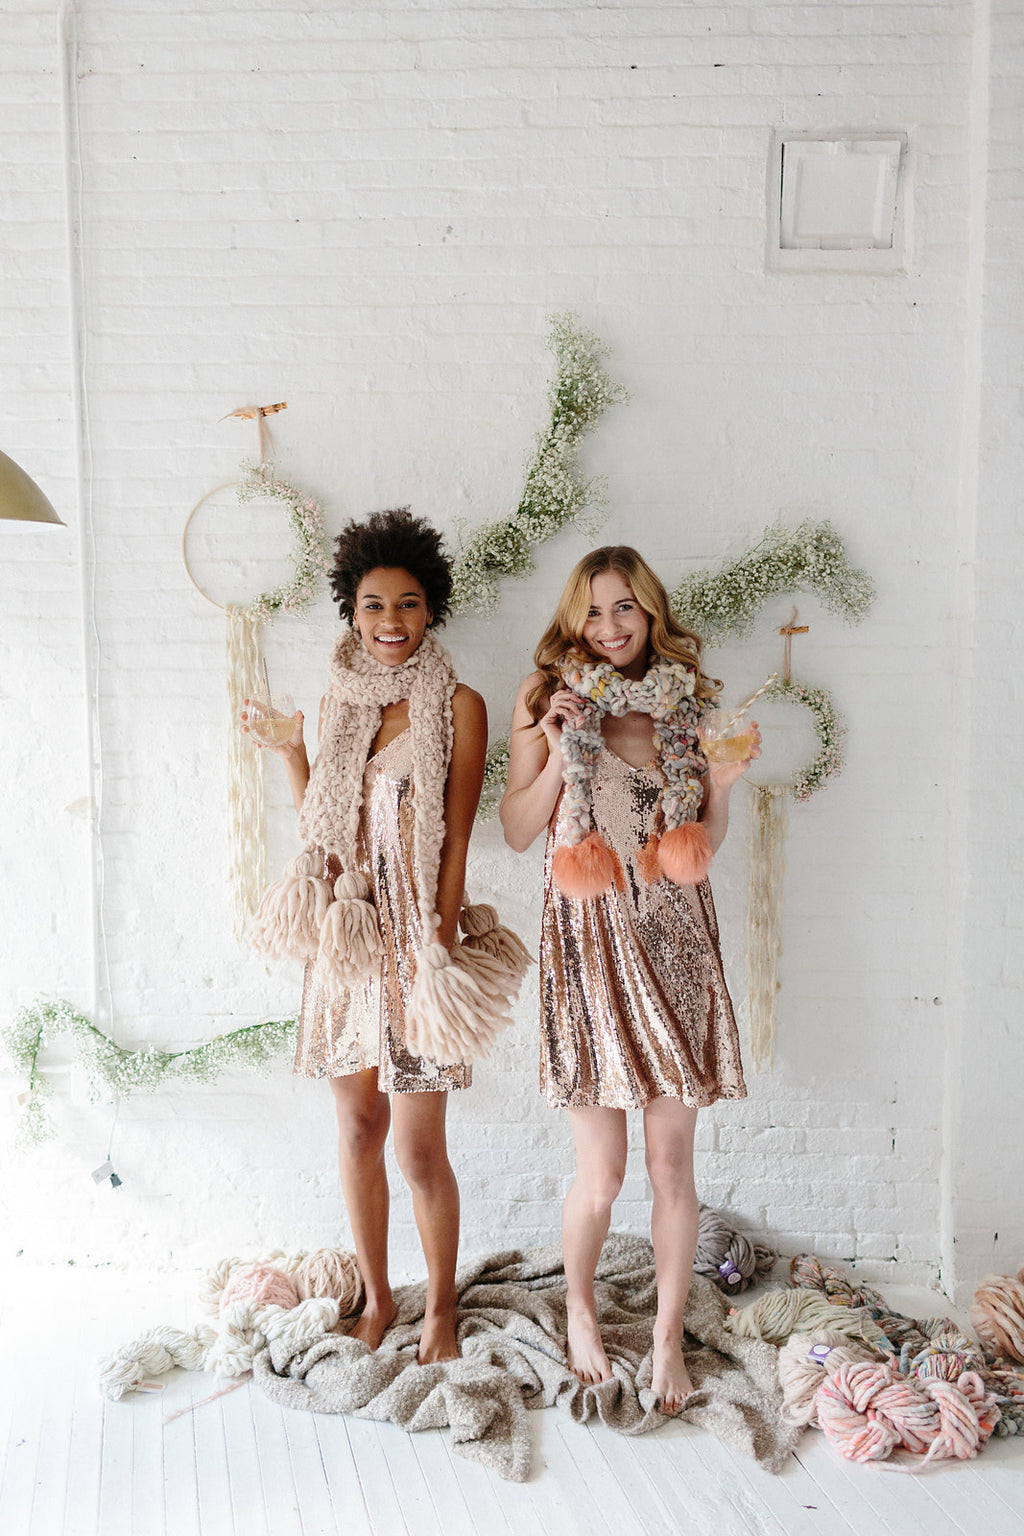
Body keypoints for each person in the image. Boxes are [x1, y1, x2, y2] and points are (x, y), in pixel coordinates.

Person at [244, 508, 527, 1364]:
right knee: (359, 1128)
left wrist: (436, 952)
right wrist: (292, 753)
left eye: (407, 604)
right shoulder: (340, 702)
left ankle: (439, 1311)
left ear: (430, 608)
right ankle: (377, 1298)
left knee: (418, 1146)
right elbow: (324, 829)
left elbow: (458, 840)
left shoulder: (461, 707)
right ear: (352, 610)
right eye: (373, 605)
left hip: (416, 945)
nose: (391, 622)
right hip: (347, 941)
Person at [500, 545, 758, 1411]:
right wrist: (550, 744)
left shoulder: (690, 708)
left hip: (677, 947)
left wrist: (722, 787)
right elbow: (517, 830)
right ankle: (579, 1308)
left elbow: (699, 851)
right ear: (573, 619)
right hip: (590, 953)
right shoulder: (547, 698)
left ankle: (666, 1338)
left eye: (625, 608)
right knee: (603, 1175)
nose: (610, 627)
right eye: (594, 610)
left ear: (650, 613)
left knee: (672, 1168)